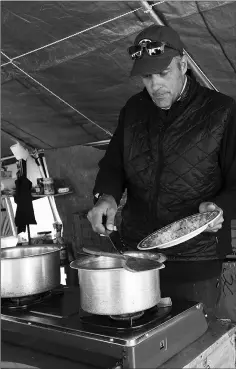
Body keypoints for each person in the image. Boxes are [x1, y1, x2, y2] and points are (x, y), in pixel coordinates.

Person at [87, 25, 236, 315]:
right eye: (146, 76)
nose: (155, 86)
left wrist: (219, 208)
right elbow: (114, 164)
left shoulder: (221, 111)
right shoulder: (134, 109)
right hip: (138, 256)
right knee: (142, 339)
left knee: (194, 348)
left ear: (183, 65)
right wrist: (106, 196)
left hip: (195, 260)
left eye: (163, 73)